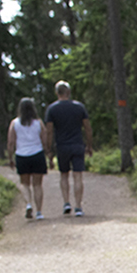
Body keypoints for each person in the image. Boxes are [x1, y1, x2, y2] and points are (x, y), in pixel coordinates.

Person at [45, 81, 93, 217]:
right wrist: (89, 145)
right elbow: (87, 128)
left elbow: (49, 131)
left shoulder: (52, 109)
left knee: (64, 175)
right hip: (77, 145)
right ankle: (78, 206)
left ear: (57, 93)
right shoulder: (79, 107)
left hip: (62, 146)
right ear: (69, 92)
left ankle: (66, 202)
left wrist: (48, 149)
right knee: (78, 176)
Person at [7, 97, 49, 220]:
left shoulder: (14, 123)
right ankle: (39, 212)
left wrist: (10, 157)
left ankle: (28, 204)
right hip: (37, 154)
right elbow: (44, 138)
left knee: (24, 184)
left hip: (21, 155)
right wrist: (47, 152)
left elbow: (11, 142)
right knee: (37, 185)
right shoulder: (38, 122)